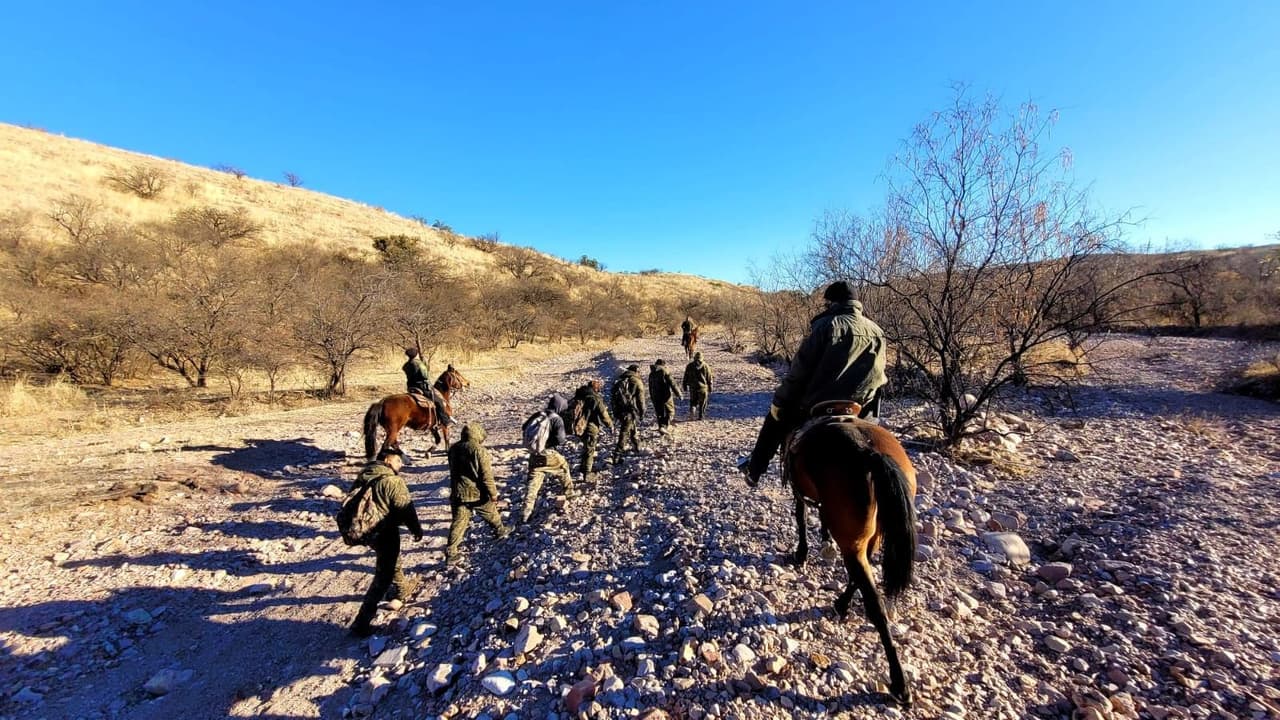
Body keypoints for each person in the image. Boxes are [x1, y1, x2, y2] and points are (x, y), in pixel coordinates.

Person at [738, 281, 888, 485]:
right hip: (861, 406)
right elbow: (879, 374)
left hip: (820, 403)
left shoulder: (823, 326)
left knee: (773, 422)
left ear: (831, 303)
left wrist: (780, 401)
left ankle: (754, 470)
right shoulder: (877, 330)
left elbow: (799, 371)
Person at [349, 447, 424, 637]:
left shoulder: (366, 473)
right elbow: (405, 508)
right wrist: (416, 529)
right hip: (384, 531)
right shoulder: (392, 481)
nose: (401, 465)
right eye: (399, 461)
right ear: (388, 461)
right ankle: (361, 623)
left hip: (366, 529)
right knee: (383, 575)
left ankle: (401, 589)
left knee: (390, 560)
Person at [445, 423, 510, 566]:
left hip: (458, 492)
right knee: (490, 511)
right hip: (475, 493)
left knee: (458, 523)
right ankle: (500, 530)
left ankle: (451, 553)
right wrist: (493, 493)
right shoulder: (479, 450)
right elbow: (486, 475)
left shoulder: (454, 448)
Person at [402, 348, 456, 427]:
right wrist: (425, 364)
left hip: (411, 386)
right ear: (416, 354)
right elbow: (425, 376)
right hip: (422, 387)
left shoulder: (406, 365)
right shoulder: (419, 364)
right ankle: (445, 421)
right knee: (439, 402)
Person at [521, 447, 574, 523]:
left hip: (534, 457)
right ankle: (570, 493)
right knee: (563, 468)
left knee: (532, 485)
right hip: (550, 456)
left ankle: (526, 512)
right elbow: (561, 438)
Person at [573, 380, 613, 478]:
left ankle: (583, 468)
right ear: (596, 388)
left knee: (586, 447)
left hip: (578, 426)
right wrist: (610, 425)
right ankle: (587, 472)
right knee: (590, 448)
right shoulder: (595, 398)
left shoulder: (580, 395)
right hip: (590, 426)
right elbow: (603, 413)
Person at [610, 364, 647, 463]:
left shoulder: (620, 380)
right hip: (629, 409)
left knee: (631, 425)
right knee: (625, 431)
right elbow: (640, 399)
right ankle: (617, 454)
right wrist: (642, 411)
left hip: (619, 410)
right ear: (636, 371)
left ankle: (636, 445)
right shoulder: (636, 381)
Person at [647, 358, 682, 433]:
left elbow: (650, 387)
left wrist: (652, 397)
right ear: (663, 364)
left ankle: (661, 427)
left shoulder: (651, 373)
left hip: (655, 396)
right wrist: (678, 394)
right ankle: (664, 426)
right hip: (665, 395)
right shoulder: (664, 371)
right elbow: (672, 383)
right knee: (670, 412)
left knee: (659, 412)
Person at [682, 351, 713, 420]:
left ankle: (692, 412)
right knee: (703, 403)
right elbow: (709, 377)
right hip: (703, 388)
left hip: (693, 387)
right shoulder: (706, 366)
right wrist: (710, 387)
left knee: (693, 402)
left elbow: (686, 376)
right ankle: (701, 416)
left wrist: (684, 385)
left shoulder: (689, 366)